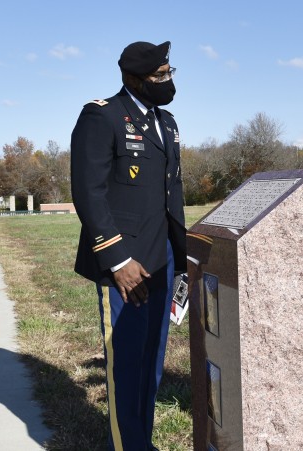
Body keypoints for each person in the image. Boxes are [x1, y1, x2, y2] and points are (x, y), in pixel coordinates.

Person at [71, 40, 186, 451]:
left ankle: (141, 441)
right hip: (126, 263)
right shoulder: (101, 117)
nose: (168, 81)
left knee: (152, 361)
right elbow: (89, 194)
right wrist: (118, 260)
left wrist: (183, 259)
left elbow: (172, 195)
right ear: (131, 79)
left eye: (170, 72)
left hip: (164, 257)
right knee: (126, 363)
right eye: (159, 76)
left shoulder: (167, 122)